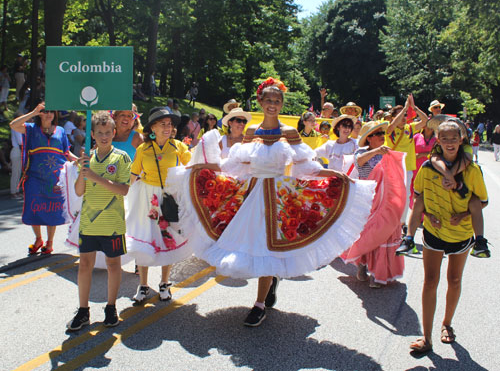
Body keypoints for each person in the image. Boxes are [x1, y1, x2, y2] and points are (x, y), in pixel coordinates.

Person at [166, 77, 376, 327]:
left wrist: (335, 175)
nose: (273, 105)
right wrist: (200, 168)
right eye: (269, 100)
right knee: (248, 243)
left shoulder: (289, 133)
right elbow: (234, 166)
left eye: (277, 101)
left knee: (268, 247)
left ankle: (259, 304)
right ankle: (268, 286)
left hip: (279, 195)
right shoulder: (252, 132)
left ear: (281, 103)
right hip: (251, 193)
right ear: (260, 102)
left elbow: (305, 167)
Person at [409, 121, 488, 353]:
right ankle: (426, 337)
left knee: (454, 280)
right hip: (434, 232)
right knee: (430, 281)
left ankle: (447, 324)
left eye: (454, 138)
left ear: (461, 140)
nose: (450, 142)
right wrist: (427, 215)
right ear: (438, 141)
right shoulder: (427, 167)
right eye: (445, 138)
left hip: (461, 234)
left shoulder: (472, 170)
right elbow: (417, 198)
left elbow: (482, 201)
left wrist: (465, 214)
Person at [66, 112, 131, 331]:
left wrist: (96, 177)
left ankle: (111, 307)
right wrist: (82, 172)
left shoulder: (121, 158)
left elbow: (123, 189)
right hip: (89, 224)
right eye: (99, 133)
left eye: (107, 132)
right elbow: (78, 191)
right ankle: (83, 310)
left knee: (113, 265)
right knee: (85, 266)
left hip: (112, 224)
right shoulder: (86, 159)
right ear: (92, 134)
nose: (104, 136)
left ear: (114, 133)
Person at [127, 108, 192, 303]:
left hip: (170, 197)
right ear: (153, 127)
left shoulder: (178, 147)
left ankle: (165, 283)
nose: (168, 127)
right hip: (146, 197)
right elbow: (132, 175)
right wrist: (116, 192)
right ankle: (143, 285)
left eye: (170, 124)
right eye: (162, 124)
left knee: (168, 237)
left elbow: (192, 167)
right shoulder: (143, 149)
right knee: (144, 238)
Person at [342, 121, 406, 288]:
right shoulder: (361, 152)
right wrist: (378, 151)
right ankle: (362, 265)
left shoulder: (388, 153)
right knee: (367, 233)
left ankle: (377, 273)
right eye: (378, 134)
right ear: (369, 138)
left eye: (382, 133)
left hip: (386, 201)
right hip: (368, 199)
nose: (382, 136)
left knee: (384, 233)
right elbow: (359, 162)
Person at [10, 103, 76, 254]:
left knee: (52, 211)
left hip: (55, 179)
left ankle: (50, 243)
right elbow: (13, 125)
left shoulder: (60, 131)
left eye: (51, 112)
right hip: (34, 178)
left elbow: (66, 153)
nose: (48, 115)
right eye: (45, 112)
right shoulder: (31, 129)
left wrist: (79, 160)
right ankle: (38, 239)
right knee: (34, 208)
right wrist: (33, 112)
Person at [385, 94, 428, 236]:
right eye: (400, 116)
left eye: (404, 116)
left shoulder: (410, 128)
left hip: (407, 168)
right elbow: (392, 125)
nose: (403, 118)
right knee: (392, 196)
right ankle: (389, 222)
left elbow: (425, 120)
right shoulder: (389, 130)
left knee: (405, 195)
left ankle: (402, 224)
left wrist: (413, 108)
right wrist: (404, 108)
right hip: (393, 168)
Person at [10, 116, 23, 198]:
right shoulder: (16, 128)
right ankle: (13, 192)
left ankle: (16, 191)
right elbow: (20, 141)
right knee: (15, 172)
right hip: (16, 150)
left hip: (18, 151)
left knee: (18, 172)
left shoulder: (17, 127)